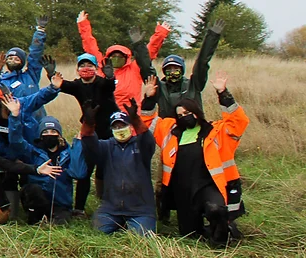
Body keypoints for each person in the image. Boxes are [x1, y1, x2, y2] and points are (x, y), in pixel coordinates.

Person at [142, 73, 248, 247]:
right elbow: (146, 123)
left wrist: (223, 93)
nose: (185, 116)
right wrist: (149, 98)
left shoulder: (216, 130)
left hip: (209, 186)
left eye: (188, 112)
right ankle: (203, 228)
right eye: (181, 114)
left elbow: (239, 122)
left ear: (197, 112)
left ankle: (221, 240)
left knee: (216, 210)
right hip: (183, 189)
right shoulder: (169, 130)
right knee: (190, 234)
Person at [81, 99, 157, 236]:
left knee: (141, 239)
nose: (119, 129)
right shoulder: (106, 146)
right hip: (110, 208)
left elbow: (148, 141)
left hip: (140, 209)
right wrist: (89, 124)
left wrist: (136, 119)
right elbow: (90, 146)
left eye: (123, 125)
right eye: (115, 127)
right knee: (97, 235)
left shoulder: (140, 145)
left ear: (130, 127)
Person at [0, 58, 61, 160]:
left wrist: (53, 88)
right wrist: (15, 160)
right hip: (9, 159)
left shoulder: (18, 104)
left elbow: (38, 98)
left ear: (2, 99)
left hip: (31, 148)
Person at [55, 52, 117, 212]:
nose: (86, 68)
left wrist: (110, 77)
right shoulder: (77, 85)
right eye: (82, 65)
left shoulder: (102, 83)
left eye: (89, 65)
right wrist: (50, 73)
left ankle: (106, 204)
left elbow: (110, 87)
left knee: (106, 169)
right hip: (89, 131)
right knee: (85, 169)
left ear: (96, 68)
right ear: (77, 69)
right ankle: (79, 209)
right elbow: (61, 85)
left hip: (108, 131)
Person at [77, 10, 168, 111]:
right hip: (104, 118)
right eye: (113, 56)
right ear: (108, 57)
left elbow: (149, 52)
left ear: (126, 58)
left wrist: (161, 33)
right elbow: (90, 45)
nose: (116, 58)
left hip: (130, 119)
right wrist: (83, 24)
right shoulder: (102, 66)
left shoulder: (134, 69)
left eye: (120, 56)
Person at [14, 115, 87, 225]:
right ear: (40, 135)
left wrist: (78, 145)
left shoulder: (67, 153)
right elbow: (16, 142)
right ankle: (36, 219)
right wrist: (15, 118)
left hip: (61, 204)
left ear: (59, 134)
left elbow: (78, 173)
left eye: (53, 131)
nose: (49, 134)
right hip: (37, 200)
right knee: (33, 189)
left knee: (61, 224)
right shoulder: (32, 152)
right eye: (46, 131)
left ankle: (50, 220)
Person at [153, 18, 224, 123]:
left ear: (181, 70)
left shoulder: (194, 85)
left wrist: (212, 37)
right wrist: (139, 46)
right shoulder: (159, 87)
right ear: (164, 71)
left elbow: (201, 63)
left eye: (176, 69)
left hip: (194, 131)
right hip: (168, 132)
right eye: (169, 69)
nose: (172, 72)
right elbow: (146, 69)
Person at [0, 17, 49, 116]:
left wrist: (40, 31)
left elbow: (35, 55)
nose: (12, 61)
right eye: (10, 58)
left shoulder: (30, 75)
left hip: (36, 120)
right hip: (14, 122)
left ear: (22, 62)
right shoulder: (1, 81)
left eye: (16, 59)